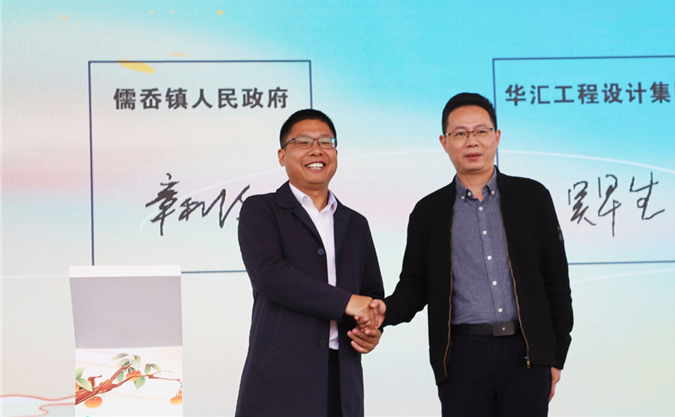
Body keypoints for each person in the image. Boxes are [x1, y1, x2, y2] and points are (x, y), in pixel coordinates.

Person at [372, 92, 573, 417]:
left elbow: (556, 281)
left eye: (480, 131)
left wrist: (555, 355)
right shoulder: (429, 212)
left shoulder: (532, 197)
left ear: (497, 136)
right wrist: (385, 311)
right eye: (460, 134)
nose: (471, 141)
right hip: (462, 356)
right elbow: (414, 287)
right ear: (444, 142)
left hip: (526, 354)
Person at [235, 109, 384, 417]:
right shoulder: (261, 210)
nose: (317, 150)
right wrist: (347, 303)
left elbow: (370, 293)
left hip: (342, 379)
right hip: (279, 378)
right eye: (303, 142)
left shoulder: (356, 223)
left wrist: (370, 328)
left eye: (326, 142)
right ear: (282, 156)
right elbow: (270, 276)